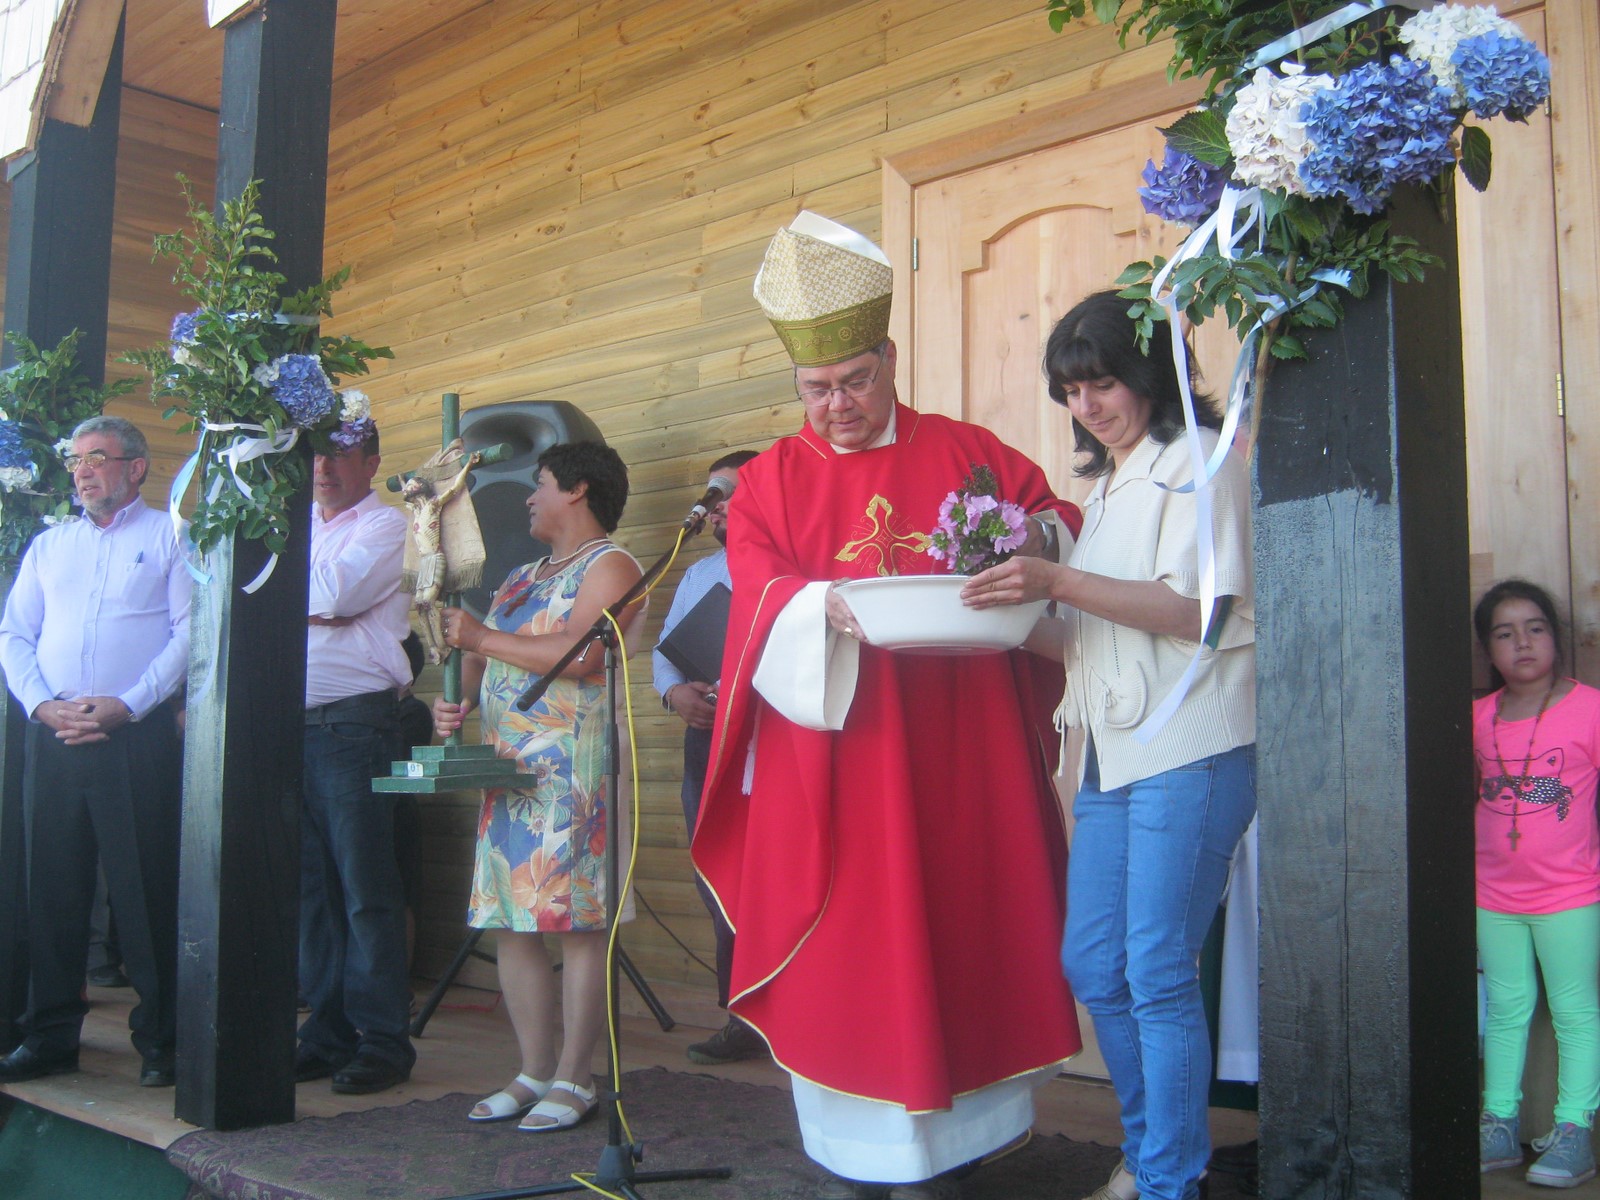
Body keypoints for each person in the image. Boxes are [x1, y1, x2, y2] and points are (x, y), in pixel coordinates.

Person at [693, 212, 1083, 1200]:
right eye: (816, 389)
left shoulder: (967, 452)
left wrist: (1028, 533)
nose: (838, 407)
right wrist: (819, 603)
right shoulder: (765, 485)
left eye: (856, 381)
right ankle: (852, 1154)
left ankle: (974, 1141)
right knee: (854, 953)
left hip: (965, 751)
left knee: (964, 928)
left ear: (889, 356)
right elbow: (755, 592)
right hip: (840, 759)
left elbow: (1058, 526)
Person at [963, 289, 1257, 1200]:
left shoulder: (1199, 461)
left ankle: (1169, 1179)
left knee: (1157, 968)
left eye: (1102, 383)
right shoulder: (1109, 487)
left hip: (1194, 748)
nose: (1088, 406)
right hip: (1116, 755)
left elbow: (1195, 615)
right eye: (1071, 390)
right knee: (1096, 961)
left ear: (1149, 375)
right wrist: (996, 614)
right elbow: (1089, 634)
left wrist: (1056, 576)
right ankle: (1154, 1156)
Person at [432, 441, 645, 1132]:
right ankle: (531, 1069)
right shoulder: (519, 575)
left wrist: (480, 640)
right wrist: (453, 699)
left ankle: (576, 1078)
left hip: (574, 772)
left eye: (541, 483)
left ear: (578, 490)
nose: (529, 497)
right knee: (511, 923)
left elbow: (584, 657)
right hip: (508, 769)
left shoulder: (612, 565)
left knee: (578, 925)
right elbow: (475, 663)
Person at [0, 415, 190, 1088]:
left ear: (135, 468)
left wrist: (129, 703)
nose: (82, 471)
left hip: (131, 736)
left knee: (145, 893)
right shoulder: (49, 547)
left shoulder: (172, 535)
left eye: (97, 459)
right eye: (75, 460)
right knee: (51, 891)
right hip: (53, 736)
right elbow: (14, 634)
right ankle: (49, 1036)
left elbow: (189, 633)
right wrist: (41, 704)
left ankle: (162, 1041)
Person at [294, 426, 417, 1095]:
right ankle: (327, 1032)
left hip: (354, 724)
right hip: (291, 726)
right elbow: (282, 597)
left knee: (366, 887)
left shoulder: (387, 526)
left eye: (338, 453)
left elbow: (334, 596)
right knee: (314, 892)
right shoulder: (297, 526)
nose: (322, 466)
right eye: (314, 453)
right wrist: (308, 605)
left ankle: (382, 1040)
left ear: (370, 462)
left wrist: (312, 606)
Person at [1472, 579, 1600, 1188]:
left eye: (1535, 627)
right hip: (1493, 895)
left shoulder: (1589, 708)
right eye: (1504, 632)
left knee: (1575, 1012)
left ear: (1557, 636)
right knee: (1505, 1009)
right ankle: (1497, 1122)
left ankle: (1574, 1130)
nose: (1521, 642)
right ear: (1488, 650)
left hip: (1571, 894)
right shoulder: (1475, 719)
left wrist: (1537, 791)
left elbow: (1559, 788)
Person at [651, 448, 766, 1065]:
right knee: (720, 872)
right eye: (711, 495)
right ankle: (740, 1018)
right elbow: (665, 655)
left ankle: (799, 1014)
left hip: (775, 737)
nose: (715, 505)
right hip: (711, 739)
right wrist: (675, 693)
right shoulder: (701, 575)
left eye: (727, 491)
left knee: (780, 872)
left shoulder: (792, 565)